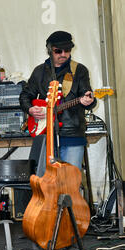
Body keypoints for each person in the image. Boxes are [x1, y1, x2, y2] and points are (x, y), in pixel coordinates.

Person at [20, 31, 96, 170]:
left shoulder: (79, 70)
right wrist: (30, 109)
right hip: (45, 135)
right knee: (45, 183)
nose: (63, 54)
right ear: (50, 50)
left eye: (67, 50)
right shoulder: (39, 72)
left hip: (72, 134)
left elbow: (89, 98)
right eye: (58, 51)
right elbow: (25, 96)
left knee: (69, 183)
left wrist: (89, 101)